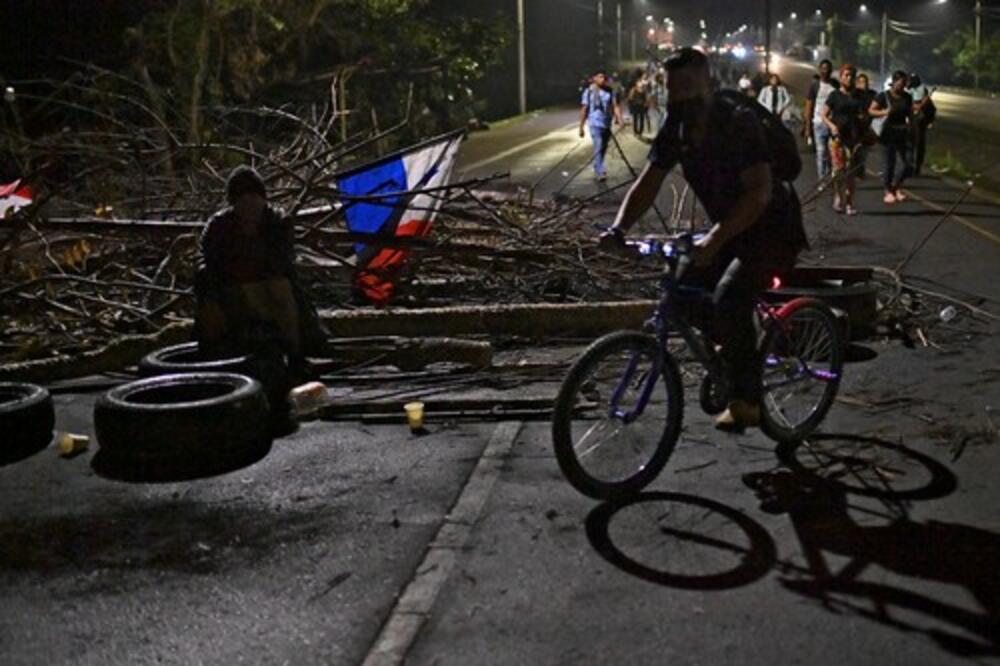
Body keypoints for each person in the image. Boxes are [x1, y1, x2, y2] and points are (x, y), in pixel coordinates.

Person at [598, 47, 808, 432]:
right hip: (731, 228)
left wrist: (714, 238)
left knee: (729, 295)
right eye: (673, 87)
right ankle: (734, 348)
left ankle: (747, 401)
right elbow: (648, 184)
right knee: (681, 286)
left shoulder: (737, 121)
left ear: (708, 84)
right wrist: (618, 229)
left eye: (689, 87)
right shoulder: (677, 129)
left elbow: (759, 194)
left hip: (772, 229)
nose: (680, 96)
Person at [195, 166, 326, 376]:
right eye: (243, 202)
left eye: (253, 200)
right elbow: (204, 261)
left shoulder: (277, 222)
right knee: (208, 299)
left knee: (280, 288)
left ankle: (294, 354)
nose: (249, 209)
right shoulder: (219, 226)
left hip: (266, 290)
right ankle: (213, 358)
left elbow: (281, 264)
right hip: (231, 290)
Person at [821, 64, 868, 216]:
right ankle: (837, 196)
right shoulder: (834, 95)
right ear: (841, 77)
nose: (849, 78)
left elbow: (865, 114)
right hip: (837, 139)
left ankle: (849, 202)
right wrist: (832, 126)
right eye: (846, 75)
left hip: (854, 139)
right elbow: (824, 114)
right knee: (838, 171)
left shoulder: (859, 96)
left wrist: (863, 120)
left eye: (852, 76)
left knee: (850, 172)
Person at [869, 70, 914, 204]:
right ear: (894, 82)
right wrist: (884, 112)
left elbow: (910, 115)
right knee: (889, 163)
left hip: (902, 133)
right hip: (887, 134)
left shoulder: (907, 97)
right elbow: (871, 110)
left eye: (904, 83)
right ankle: (888, 190)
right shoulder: (883, 96)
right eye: (900, 83)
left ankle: (896, 186)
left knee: (908, 164)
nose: (902, 86)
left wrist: (913, 128)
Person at [579, 70, 623, 182]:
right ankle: (600, 171)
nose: (602, 79)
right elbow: (584, 109)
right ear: (594, 78)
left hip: (606, 123)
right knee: (598, 146)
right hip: (594, 123)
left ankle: (597, 165)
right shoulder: (588, 92)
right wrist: (581, 127)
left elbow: (615, 106)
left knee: (603, 148)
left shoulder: (609, 91)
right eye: (599, 77)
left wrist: (619, 119)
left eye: (603, 77)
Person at [804, 59, 840, 182]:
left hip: (833, 124)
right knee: (821, 152)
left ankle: (833, 177)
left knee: (833, 152)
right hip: (818, 123)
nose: (825, 71)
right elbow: (809, 106)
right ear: (819, 70)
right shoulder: (814, 85)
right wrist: (807, 127)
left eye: (828, 69)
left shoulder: (835, 85)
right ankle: (822, 180)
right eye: (823, 68)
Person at [908, 73, 933, 176]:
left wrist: (928, 120)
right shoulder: (909, 90)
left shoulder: (923, 91)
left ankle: (917, 167)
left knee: (919, 146)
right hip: (910, 122)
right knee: (909, 146)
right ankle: (909, 166)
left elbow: (930, 109)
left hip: (919, 123)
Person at [854, 72, 877, 178]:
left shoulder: (872, 95)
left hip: (866, 127)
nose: (864, 84)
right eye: (861, 82)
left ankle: (860, 169)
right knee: (855, 152)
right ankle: (855, 169)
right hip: (855, 127)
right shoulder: (854, 94)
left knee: (863, 152)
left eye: (865, 82)